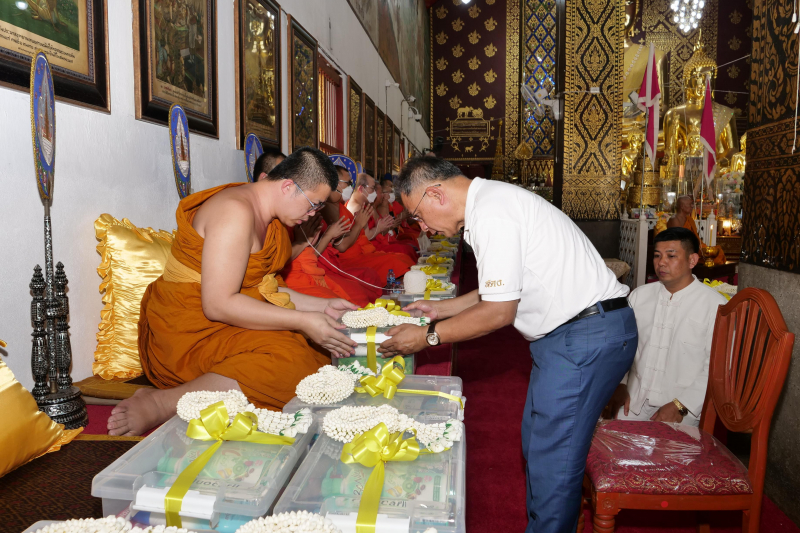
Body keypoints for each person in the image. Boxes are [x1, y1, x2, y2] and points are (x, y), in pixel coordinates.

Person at [380, 156, 636, 533]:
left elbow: (498, 312)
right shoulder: (489, 204)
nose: (422, 226)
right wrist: (440, 309)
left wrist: (426, 337)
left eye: (417, 215)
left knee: (553, 461)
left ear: (436, 193)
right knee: (537, 444)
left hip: (585, 337)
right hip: (574, 334)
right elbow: (499, 288)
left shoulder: (493, 213)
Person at [107, 148, 358, 437]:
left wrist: (323, 308)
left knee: (314, 356)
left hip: (223, 315)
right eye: (313, 204)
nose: (313, 214)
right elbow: (218, 305)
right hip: (188, 327)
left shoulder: (273, 219)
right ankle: (162, 402)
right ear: (289, 186)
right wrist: (303, 321)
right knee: (293, 360)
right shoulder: (235, 211)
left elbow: (266, 289)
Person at [606, 227, 727, 426]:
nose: (661, 262)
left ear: (692, 260)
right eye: (657, 256)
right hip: (635, 400)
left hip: (682, 408)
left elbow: (717, 367)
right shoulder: (639, 296)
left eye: (671, 256)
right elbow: (622, 347)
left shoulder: (715, 305)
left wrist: (681, 406)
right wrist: (621, 384)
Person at [336, 172, 415, 281]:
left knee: (403, 255)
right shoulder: (354, 208)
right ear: (361, 189)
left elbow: (375, 231)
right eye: (372, 189)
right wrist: (379, 228)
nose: (377, 193)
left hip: (368, 248)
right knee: (399, 260)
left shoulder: (366, 206)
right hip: (359, 253)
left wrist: (383, 227)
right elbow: (364, 236)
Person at [667, 195, 725, 264]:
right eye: (690, 204)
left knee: (717, 250)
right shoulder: (675, 220)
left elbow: (695, 236)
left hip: (694, 245)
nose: (692, 206)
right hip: (684, 248)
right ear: (682, 206)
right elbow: (677, 239)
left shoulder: (689, 219)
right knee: (710, 255)